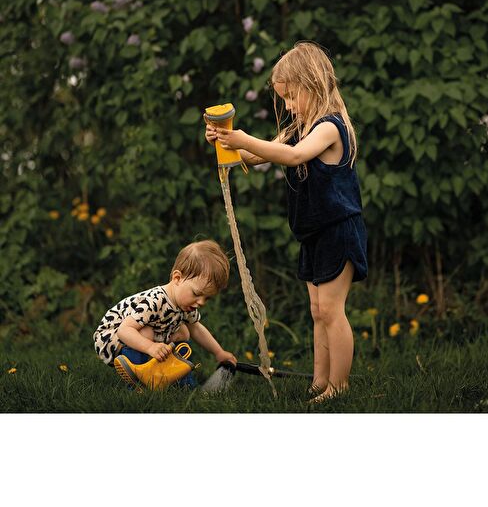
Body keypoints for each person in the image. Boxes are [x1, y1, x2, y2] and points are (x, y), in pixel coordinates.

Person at [205, 41, 367, 403]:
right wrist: (225, 142)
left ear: (313, 85)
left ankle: (339, 386)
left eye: (291, 97)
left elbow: (293, 157)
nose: (289, 106)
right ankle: (319, 383)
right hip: (313, 230)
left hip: (337, 228)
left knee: (331, 311)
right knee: (317, 311)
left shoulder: (329, 127)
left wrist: (244, 138)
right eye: (284, 99)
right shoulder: (298, 127)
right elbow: (257, 156)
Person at [93, 239, 237, 389]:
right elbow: (124, 330)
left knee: (183, 332)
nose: (201, 302)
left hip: (139, 333)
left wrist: (219, 352)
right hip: (112, 337)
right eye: (196, 294)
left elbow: (197, 329)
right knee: (146, 332)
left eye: (207, 298)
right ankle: (139, 380)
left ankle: (182, 382)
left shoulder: (187, 306)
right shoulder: (155, 301)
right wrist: (150, 347)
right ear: (177, 278)